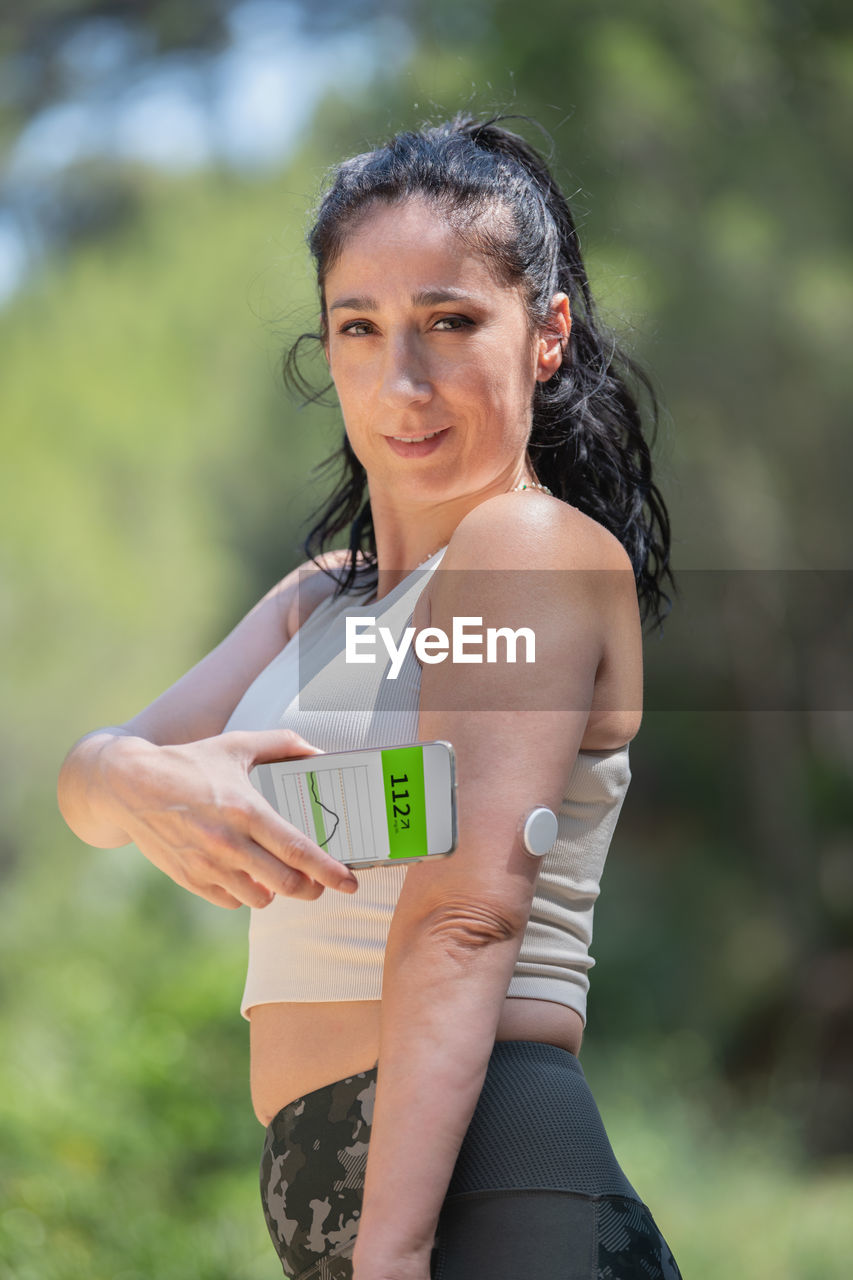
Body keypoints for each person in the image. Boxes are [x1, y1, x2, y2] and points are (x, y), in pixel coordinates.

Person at [58, 113, 680, 1279]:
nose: (403, 379)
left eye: (450, 320)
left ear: (545, 335)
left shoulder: (525, 549)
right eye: (361, 327)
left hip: (481, 1175)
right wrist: (133, 773)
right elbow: (88, 787)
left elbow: (465, 914)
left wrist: (389, 1253)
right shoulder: (316, 603)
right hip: (332, 1179)